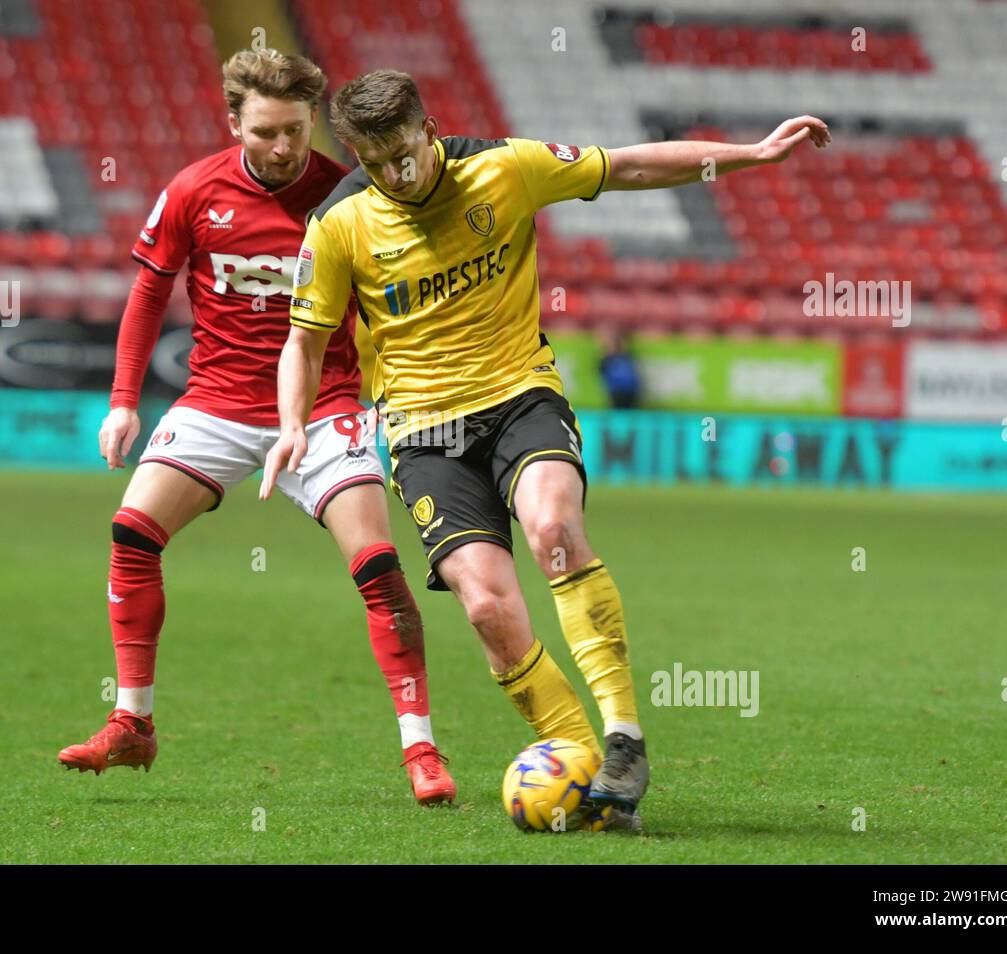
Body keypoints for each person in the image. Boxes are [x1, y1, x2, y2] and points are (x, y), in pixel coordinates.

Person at [262, 68, 829, 828]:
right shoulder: (338, 226)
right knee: (488, 606)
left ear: (429, 130)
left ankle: (624, 737)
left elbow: (625, 164)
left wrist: (753, 155)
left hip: (518, 394)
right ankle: (581, 767)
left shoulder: (504, 167)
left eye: (406, 152)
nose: (396, 173)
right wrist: (292, 421)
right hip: (423, 430)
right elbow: (303, 342)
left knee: (555, 530)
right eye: (375, 161)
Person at [58, 51, 456, 806]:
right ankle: (132, 722)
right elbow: (147, 295)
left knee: (377, 565)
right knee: (133, 533)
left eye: (296, 131)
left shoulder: (346, 193)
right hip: (216, 400)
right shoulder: (192, 191)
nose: (283, 147)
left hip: (326, 402)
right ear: (234, 122)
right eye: (268, 132)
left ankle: (421, 748)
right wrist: (122, 400)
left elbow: (392, 303)